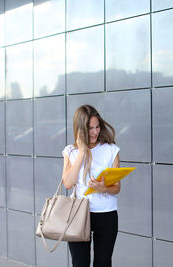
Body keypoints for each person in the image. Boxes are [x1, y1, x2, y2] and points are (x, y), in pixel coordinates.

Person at [61, 105, 120, 267]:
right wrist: (82, 152)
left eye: (97, 127)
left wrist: (103, 188)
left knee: (103, 263)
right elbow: (68, 183)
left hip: (106, 214)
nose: (94, 132)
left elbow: (117, 187)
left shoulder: (111, 150)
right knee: (80, 263)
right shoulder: (70, 152)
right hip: (79, 213)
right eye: (89, 129)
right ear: (80, 130)